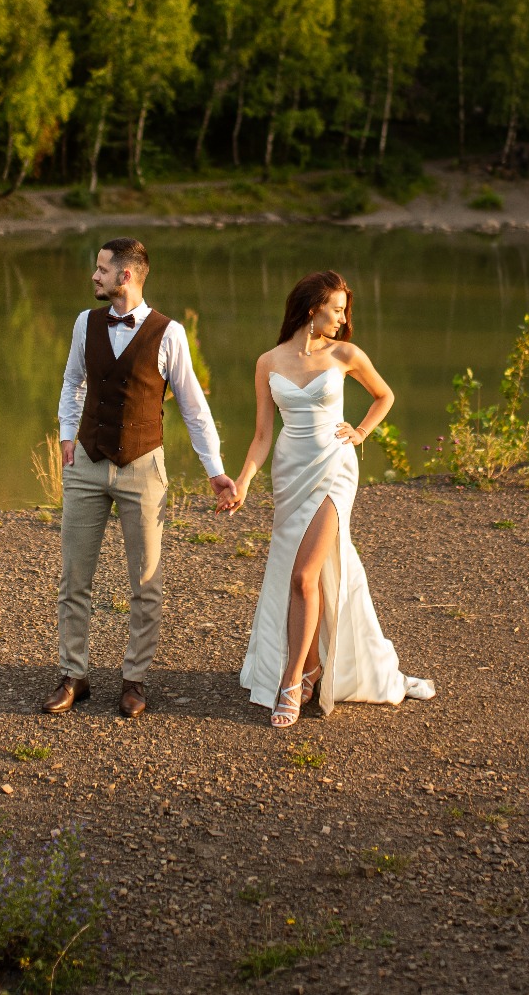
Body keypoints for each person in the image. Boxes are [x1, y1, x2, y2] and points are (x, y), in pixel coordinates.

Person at [222, 270, 434, 727]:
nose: (343, 318)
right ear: (311, 307)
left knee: (303, 575)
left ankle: (293, 680)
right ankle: (315, 666)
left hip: (336, 470)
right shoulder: (269, 362)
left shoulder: (345, 354)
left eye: (344, 310)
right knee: (302, 576)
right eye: (337, 309)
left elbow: (384, 395)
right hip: (289, 471)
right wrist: (242, 482)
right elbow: (262, 436)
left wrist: (359, 432)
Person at [43, 237, 236, 719]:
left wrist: (215, 470)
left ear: (125, 276)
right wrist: (68, 433)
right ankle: (74, 675)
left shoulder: (169, 334)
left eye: (102, 269)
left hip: (143, 468)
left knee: (146, 582)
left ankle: (134, 681)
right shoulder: (83, 322)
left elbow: (193, 406)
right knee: (74, 577)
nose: (94, 276)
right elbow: (73, 381)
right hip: (85, 463)